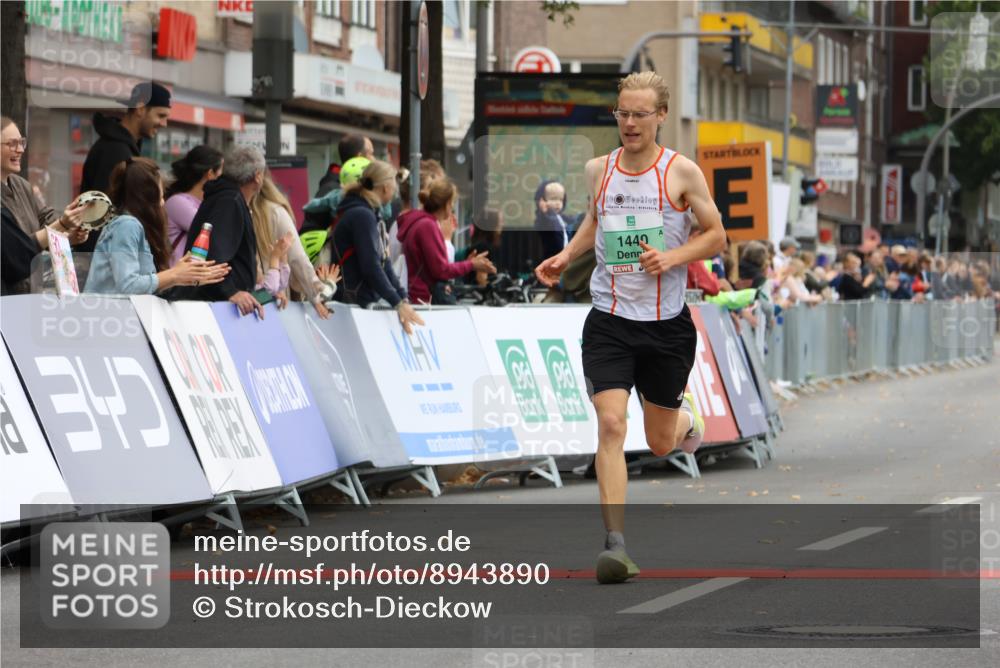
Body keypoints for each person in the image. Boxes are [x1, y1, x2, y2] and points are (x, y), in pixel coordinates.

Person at [534, 71, 726, 585]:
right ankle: (615, 545)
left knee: (662, 443)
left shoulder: (681, 173)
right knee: (612, 424)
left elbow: (716, 236)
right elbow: (596, 220)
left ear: (661, 115)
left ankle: (689, 422)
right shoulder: (600, 169)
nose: (630, 123)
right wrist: (567, 254)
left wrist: (672, 257)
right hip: (610, 321)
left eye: (641, 113)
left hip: (666, 327)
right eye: (623, 113)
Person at [84, 158, 229, 295]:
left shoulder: (130, 225)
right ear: (147, 197)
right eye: (160, 196)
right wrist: (175, 274)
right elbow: (128, 285)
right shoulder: (127, 225)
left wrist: (184, 276)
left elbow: (141, 286)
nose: (162, 203)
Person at [167, 145, 266, 318]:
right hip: (215, 308)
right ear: (257, 176)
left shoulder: (228, 198)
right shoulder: (229, 201)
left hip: (216, 305)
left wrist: (264, 294)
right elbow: (212, 254)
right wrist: (231, 292)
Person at [330, 160, 424, 334]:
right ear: (386, 187)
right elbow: (371, 266)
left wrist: (402, 298)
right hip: (354, 305)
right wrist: (397, 302)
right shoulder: (362, 215)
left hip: (359, 303)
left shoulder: (367, 213)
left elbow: (383, 262)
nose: (396, 190)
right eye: (394, 184)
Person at [1, 116, 90, 293]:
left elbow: (46, 218)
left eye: (22, 142)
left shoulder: (22, 186)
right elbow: (16, 250)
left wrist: (69, 233)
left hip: (31, 292)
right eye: (12, 144)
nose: (20, 150)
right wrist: (62, 225)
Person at [396, 178, 495, 304]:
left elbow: (437, 267)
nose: (453, 207)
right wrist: (471, 264)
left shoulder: (422, 223)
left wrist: (468, 263)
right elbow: (441, 270)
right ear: (447, 203)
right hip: (424, 299)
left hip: (420, 297)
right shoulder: (428, 226)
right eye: (452, 202)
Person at [249, 172, 334, 318]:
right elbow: (297, 257)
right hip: (271, 302)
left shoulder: (240, 210)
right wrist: (316, 294)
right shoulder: (276, 212)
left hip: (251, 300)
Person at [164, 145, 224, 266]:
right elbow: (212, 230)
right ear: (210, 173)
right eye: (221, 170)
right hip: (177, 279)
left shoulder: (203, 202)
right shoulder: (177, 202)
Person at [314, 134, 375, 198]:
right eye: (371, 154)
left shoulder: (366, 186)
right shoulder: (330, 191)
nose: (374, 159)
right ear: (359, 158)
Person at [534, 179, 574, 260]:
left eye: (560, 199)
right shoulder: (545, 219)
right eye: (553, 199)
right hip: (553, 258)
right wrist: (544, 212)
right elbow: (549, 224)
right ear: (543, 200)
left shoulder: (563, 218)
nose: (557, 203)